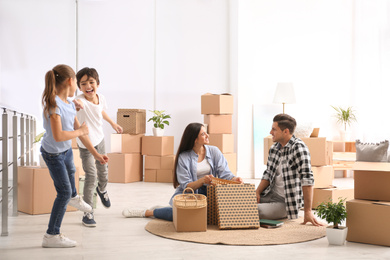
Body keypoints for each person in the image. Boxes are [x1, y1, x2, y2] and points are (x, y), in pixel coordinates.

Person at [40, 64, 108, 248]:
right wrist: (80, 132)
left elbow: (81, 132)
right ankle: (51, 235)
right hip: (53, 154)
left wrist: (97, 155)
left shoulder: (70, 104)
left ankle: (73, 196)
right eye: (78, 83)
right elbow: (59, 135)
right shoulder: (54, 105)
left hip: (65, 151)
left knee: (72, 174)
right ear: (71, 81)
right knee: (62, 192)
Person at [122, 122, 243, 220]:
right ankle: (148, 212)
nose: (207, 136)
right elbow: (186, 186)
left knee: (216, 216)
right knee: (182, 216)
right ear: (195, 139)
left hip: (211, 193)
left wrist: (235, 179)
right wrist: (202, 181)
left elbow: (226, 174)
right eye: (203, 134)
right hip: (190, 193)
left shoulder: (214, 151)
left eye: (206, 133)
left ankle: (169, 208)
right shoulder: (183, 157)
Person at [73, 67, 123, 227]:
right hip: (85, 144)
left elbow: (100, 111)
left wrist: (113, 123)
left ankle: (102, 190)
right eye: (83, 84)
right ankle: (87, 213)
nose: (88, 86)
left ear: (98, 84)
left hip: (99, 140)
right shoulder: (80, 100)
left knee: (104, 173)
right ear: (79, 87)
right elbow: (78, 104)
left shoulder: (100, 97)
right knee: (91, 176)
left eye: (91, 82)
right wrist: (75, 104)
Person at [256, 113, 323, 226]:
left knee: (255, 210)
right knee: (241, 201)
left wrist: (308, 211)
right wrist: (257, 192)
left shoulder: (299, 148)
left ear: (285, 131)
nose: (270, 132)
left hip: (285, 202)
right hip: (269, 194)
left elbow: (307, 179)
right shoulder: (274, 149)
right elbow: (268, 173)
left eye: (274, 129)